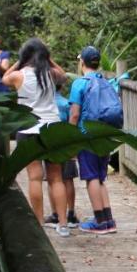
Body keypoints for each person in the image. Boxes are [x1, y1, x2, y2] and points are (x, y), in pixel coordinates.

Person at [1, 38, 71, 235]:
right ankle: (63, 224)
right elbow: (64, 76)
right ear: (45, 56)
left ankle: (39, 223)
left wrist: (19, 61)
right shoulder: (51, 74)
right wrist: (49, 60)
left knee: (34, 178)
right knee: (56, 178)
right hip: (52, 128)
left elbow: (4, 78)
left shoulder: (18, 76)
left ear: (25, 57)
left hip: (28, 129)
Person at [68, 45, 121, 234]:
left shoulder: (80, 83)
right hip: (104, 133)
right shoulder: (105, 81)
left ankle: (99, 222)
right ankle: (108, 220)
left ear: (82, 61)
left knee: (91, 177)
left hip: (87, 134)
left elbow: (74, 114)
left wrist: (70, 138)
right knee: (100, 177)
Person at [45, 85, 80, 230]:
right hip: (66, 143)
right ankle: (71, 213)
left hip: (51, 143)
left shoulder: (46, 103)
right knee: (68, 178)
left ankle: (55, 214)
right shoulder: (66, 103)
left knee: (52, 179)